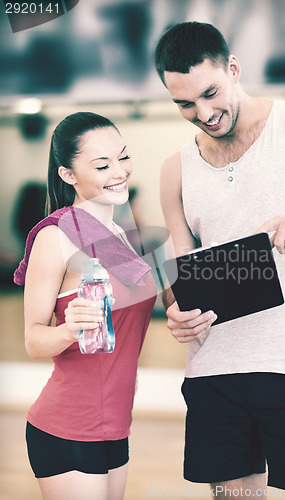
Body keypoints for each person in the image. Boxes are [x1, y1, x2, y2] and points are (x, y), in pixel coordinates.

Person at [155, 22, 285, 499]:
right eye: (185, 104)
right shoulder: (174, 170)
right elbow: (178, 278)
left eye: (211, 93)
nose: (203, 113)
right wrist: (175, 310)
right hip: (215, 371)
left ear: (233, 68)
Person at [13, 112, 156, 500]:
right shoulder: (56, 235)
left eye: (122, 157)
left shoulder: (121, 235)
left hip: (115, 425)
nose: (119, 171)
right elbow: (33, 340)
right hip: (67, 428)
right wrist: (67, 329)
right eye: (102, 164)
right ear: (68, 175)